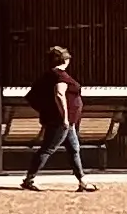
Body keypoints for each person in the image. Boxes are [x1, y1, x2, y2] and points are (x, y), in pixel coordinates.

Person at [18, 42, 92, 191]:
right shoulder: (60, 76)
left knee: (73, 149)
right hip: (62, 121)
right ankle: (29, 179)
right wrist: (63, 117)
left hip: (65, 121)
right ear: (65, 60)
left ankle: (82, 181)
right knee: (48, 149)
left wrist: (46, 111)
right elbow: (59, 94)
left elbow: (32, 96)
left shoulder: (48, 76)